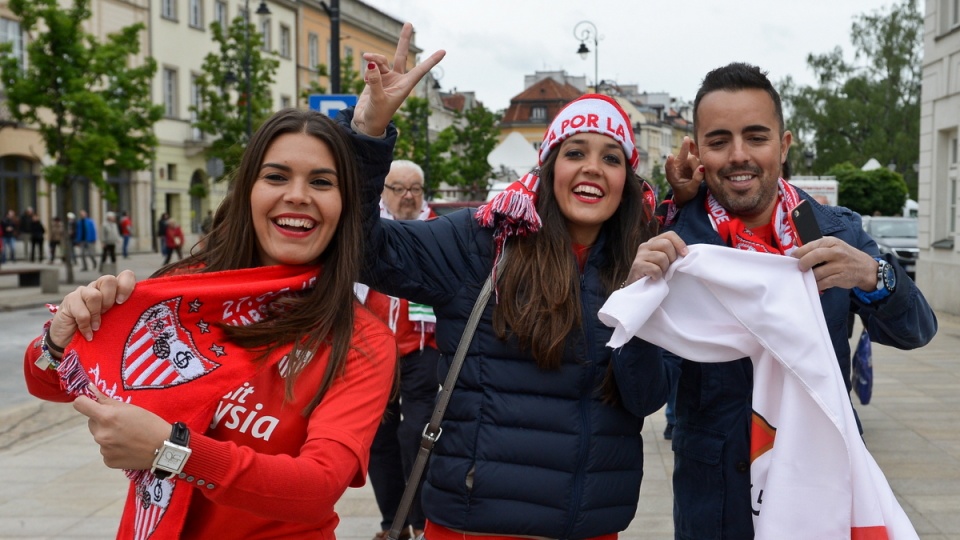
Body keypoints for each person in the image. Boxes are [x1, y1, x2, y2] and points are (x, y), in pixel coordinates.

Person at [351, 30, 686, 537]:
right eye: (575, 152)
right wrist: (368, 134)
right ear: (550, 166)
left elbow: (645, 399)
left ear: (627, 180)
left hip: (588, 527)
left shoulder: (643, 266)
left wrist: (638, 301)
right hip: (473, 525)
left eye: (611, 157)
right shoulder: (480, 242)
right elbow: (362, 249)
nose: (592, 167)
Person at [22, 106, 405, 538]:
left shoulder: (361, 339)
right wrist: (61, 337)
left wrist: (173, 451)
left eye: (321, 181)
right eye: (276, 177)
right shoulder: (186, 289)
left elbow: (317, 486)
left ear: (344, 205)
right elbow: (49, 384)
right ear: (247, 191)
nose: (298, 195)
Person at [659, 62, 938, 539]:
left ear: (784, 145)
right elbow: (639, 384)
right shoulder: (676, 239)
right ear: (697, 151)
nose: (738, 155)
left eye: (757, 136)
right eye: (719, 140)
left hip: (824, 485)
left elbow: (917, 330)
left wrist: (873, 275)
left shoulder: (835, 230)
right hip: (717, 501)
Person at [363, 159, 439, 540]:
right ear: (384, 191)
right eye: (399, 189)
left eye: (415, 189)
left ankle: (423, 521)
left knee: (418, 434)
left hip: (424, 347)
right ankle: (393, 522)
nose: (408, 197)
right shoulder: (369, 229)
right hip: (375, 352)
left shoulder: (437, 229)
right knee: (380, 436)